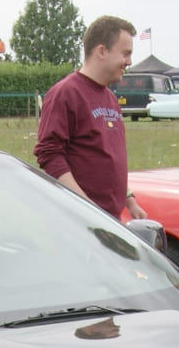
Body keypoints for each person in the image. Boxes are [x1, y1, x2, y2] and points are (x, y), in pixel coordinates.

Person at [34, 16, 147, 220]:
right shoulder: (66, 93)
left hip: (109, 220)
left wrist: (129, 200)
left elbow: (108, 157)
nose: (129, 62)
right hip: (77, 222)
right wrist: (85, 207)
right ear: (102, 51)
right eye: (125, 54)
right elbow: (49, 154)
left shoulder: (111, 99)